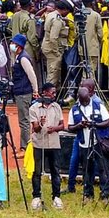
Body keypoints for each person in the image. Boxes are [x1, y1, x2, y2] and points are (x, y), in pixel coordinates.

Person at [67, 80, 109, 201]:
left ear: (90, 95)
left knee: (103, 169)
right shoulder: (74, 109)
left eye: (86, 100)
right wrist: (79, 126)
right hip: (84, 143)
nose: (85, 103)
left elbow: (108, 121)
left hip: (98, 142)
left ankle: (105, 194)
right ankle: (88, 194)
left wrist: (95, 124)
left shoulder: (98, 105)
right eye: (82, 101)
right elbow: (70, 127)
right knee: (87, 170)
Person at [29, 82, 66, 210]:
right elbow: (36, 129)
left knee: (55, 170)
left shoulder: (57, 107)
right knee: (37, 171)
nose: (54, 95)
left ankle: (56, 196)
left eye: (55, 93)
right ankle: (36, 196)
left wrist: (54, 128)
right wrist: (41, 123)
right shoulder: (34, 108)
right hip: (39, 144)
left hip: (54, 143)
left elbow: (62, 125)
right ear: (44, 93)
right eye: (52, 92)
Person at [9, 34, 39, 153]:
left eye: (13, 43)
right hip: (20, 91)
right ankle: (24, 145)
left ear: (18, 46)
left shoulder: (23, 58)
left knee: (24, 121)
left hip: (24, 92)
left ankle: (25, 147)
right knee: (23, 120)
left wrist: (35, 90)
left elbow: (32, 75)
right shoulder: (18, 57)